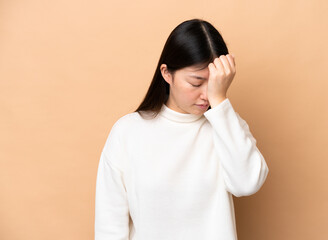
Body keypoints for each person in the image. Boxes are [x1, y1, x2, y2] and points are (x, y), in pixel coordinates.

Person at [94, 18, 269, 240]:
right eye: (196, 83)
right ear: (167, 74)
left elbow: (247, 183)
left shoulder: (226, 126)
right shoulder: (127, 132)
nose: (206, 94)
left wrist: (220, 100)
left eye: (214, 83)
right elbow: (110, 228)